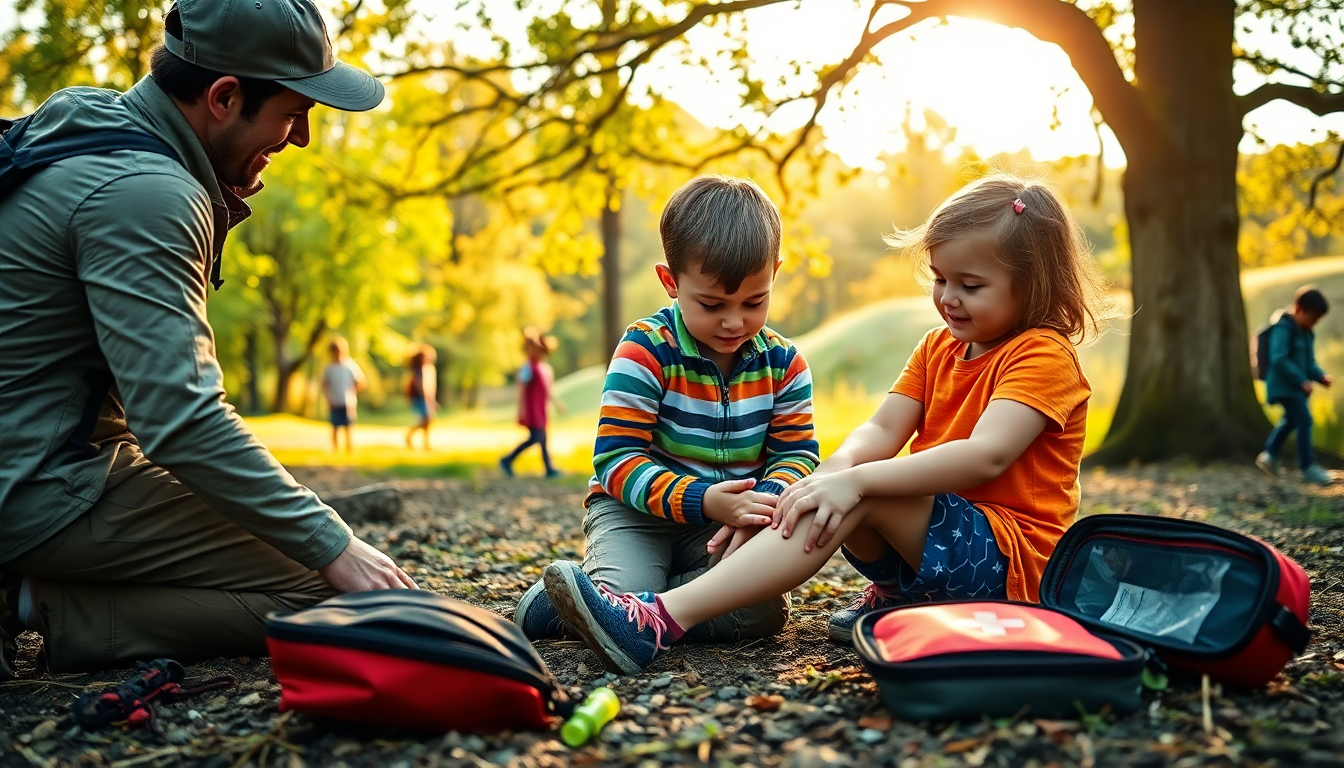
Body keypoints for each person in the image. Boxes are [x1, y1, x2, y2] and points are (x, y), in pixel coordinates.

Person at [540, 174, 1117, 674]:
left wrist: (853, 482)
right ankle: (896, 595)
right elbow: (879, 432)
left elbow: (986, 455)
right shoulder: (938, 347)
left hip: (1011, 562)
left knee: (858, 494)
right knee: (839, 485)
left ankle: (659, 618)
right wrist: (822, 479)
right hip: (936, 545)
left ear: (1033, 283)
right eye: (941, 279)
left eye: (971, 286)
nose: (948, 298)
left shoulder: (1042, 356)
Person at [0, 0, 416, 679]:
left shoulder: (90, 124)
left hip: (41, 464)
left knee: (312, 546)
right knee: (339, 589)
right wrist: (333, 543)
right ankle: (39, 600)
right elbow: (181, 420)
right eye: (293, 112)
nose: (302, 137)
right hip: (38, 489)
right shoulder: (148, 191)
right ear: (224, 98)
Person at [513, 175, 820, 644]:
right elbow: (616, 459)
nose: (734, 321)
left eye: (754, 301)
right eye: (712, 304)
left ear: (774, 274)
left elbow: (796, 455)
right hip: (636, 514)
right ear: (670, 282)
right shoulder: (646, 351)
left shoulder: (783, 365)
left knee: (762, 610)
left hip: (722, 523)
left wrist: (764, 499)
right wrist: (704, 498)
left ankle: (633, 609)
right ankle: (563, 606)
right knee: (622, 594)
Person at [1256, 286, 1334, 486]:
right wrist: (1301, 380)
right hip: (1284, 387)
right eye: (1312, 318)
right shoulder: (1283, 328)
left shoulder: (1305, 333)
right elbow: (1279, 358)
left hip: (1294, 388)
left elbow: (1308, 363)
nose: (1314, 323)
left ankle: (1269, 455)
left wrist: (1320, 376)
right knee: (1304, 420)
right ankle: (1307, 467)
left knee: (1291, 420)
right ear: (1299, 309)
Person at [500, 329, 565, 478]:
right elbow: (521, 388)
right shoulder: (528, 368)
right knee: (536, 437)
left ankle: (548, 468)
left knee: (542, 438)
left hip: (540, 410)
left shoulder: (543, 368)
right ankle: (508, 459)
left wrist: (557, 405)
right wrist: (521, 410)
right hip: (531, 410)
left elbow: (546, 391)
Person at [321, 337, 367, 453]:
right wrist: (328, 397)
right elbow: (324, 384)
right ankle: (335, 449)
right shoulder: (329, 368)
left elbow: (361, 381)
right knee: (335, 426)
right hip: (334, 400)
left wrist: (352, 392)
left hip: (347, 401)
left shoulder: (349, 365)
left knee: (348, 425)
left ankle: (349, 448)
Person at [405, 344, 438, 450]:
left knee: (427, 420)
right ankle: (410, 436)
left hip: (427, 398)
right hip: (420, 398)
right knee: (426, 420)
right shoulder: (419, 370)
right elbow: (420, 386)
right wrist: (427, 398)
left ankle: (425, 443)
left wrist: (432, 399)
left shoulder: (429, 369)